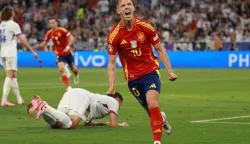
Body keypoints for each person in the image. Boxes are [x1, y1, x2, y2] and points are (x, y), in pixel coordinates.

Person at [106, 0, 178, 144]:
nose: (126, 7)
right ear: (118, 11)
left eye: (129, 4)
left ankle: (157, 142)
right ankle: (162, 118)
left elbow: (159, 50)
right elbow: (112, 63)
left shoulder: (146, 27)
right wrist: (111, 86)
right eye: (123, 5)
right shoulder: (114, 36)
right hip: (133, 79)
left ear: (133, 8)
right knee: (152, 113)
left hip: (150, 71)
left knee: (152, 103)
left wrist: (170, 71)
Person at [27, 88, 128, 129]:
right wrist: (120, 125)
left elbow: (87, 123)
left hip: (71, 92)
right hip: (82, 96)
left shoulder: (102, 103)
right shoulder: (114, 102)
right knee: (72, 124)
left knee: (57, 124)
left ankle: (42, 108)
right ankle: (46, 107)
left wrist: (104, 123)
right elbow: (113, 125)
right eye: (120, 105)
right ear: (117, 100)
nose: (118, 108)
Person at [0, 6, 38, 106]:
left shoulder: (2, 24)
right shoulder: (13, 25)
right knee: (9, 75)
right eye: (13, 12)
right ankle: (4, 100)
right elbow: (22, 40)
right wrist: (32, 51)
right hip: (10, 53)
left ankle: (19, 98)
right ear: (11, 14)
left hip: (3, 52)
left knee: (13, 76)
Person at [36, 17, 79, 90]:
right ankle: (68, 86)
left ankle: (76, 75)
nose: (51, 24)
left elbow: (72, 38)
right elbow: (45, 42)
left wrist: (67, 47)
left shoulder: (62, 30)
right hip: (59, 53)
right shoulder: (49, 33)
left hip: (68, 52)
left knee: (74, 69)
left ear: (56, 23)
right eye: (50, 23)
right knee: (61, 69)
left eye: (53, 23)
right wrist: (39, 45)